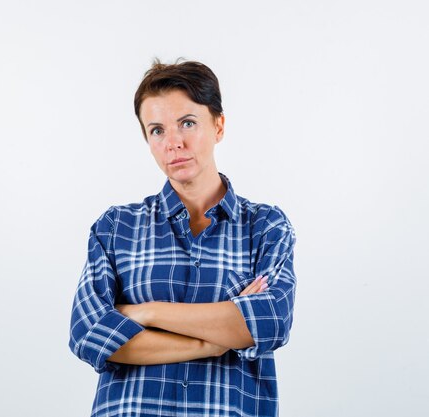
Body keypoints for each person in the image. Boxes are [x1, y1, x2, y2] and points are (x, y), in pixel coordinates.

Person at [69, 59, 297, 417]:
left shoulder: (265, 227)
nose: (173, 142)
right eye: (157, 130)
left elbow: (269, 322)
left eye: (187, 123)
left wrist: (147, 312)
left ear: (218, 125)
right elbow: (89, 335)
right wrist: (214, 339)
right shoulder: (115, 228)